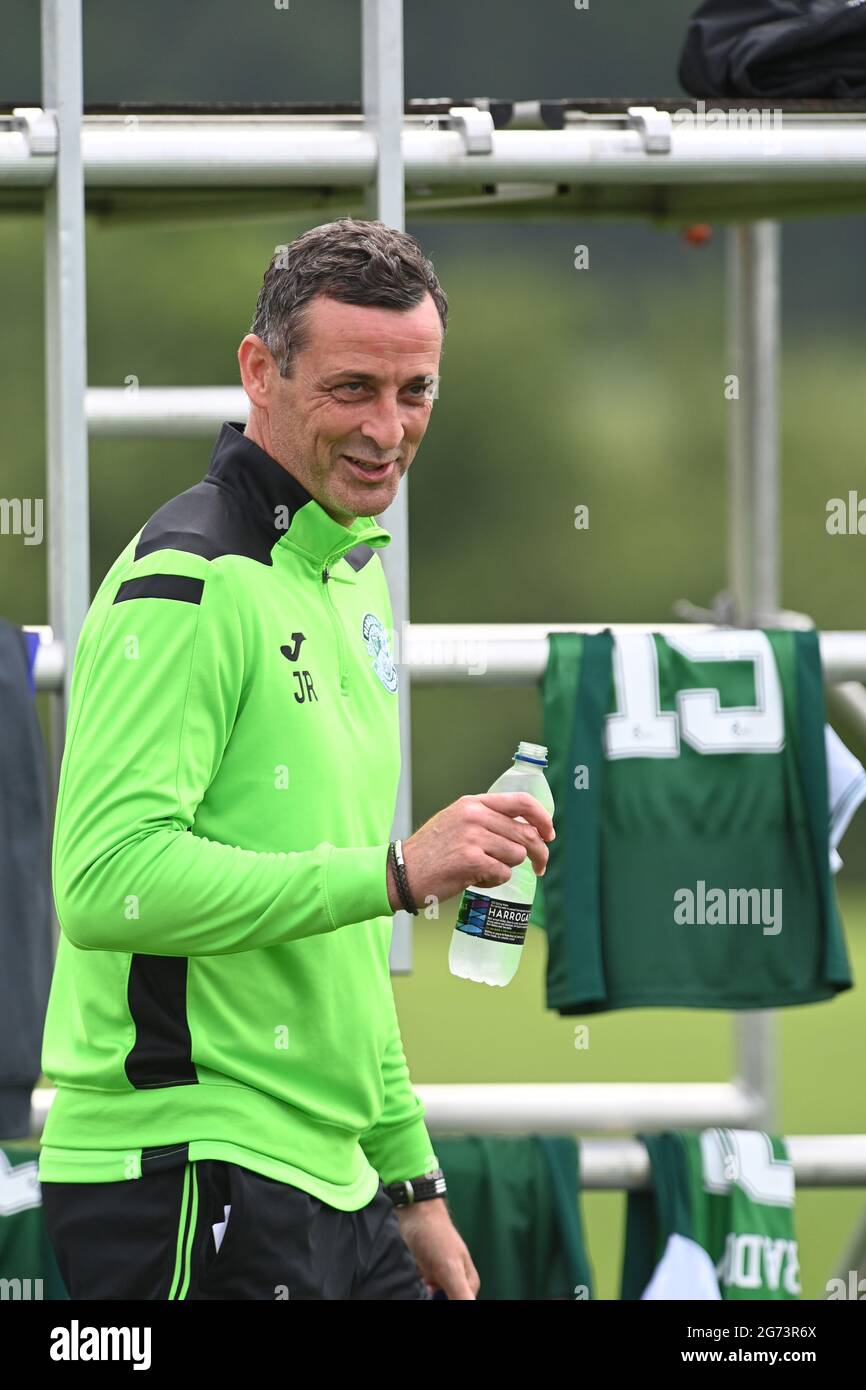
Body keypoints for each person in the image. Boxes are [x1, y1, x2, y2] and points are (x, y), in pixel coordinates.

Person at [38, 218, 554, 1301]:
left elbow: (341, 947)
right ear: (258, 371)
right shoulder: (185, 581)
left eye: (415, 393)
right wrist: (393, 871)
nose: (387, 427)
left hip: (335, 1180)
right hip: (183, 1162)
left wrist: (409, 1180)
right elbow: (101, 884)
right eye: (353, 387)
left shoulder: (348, 574)